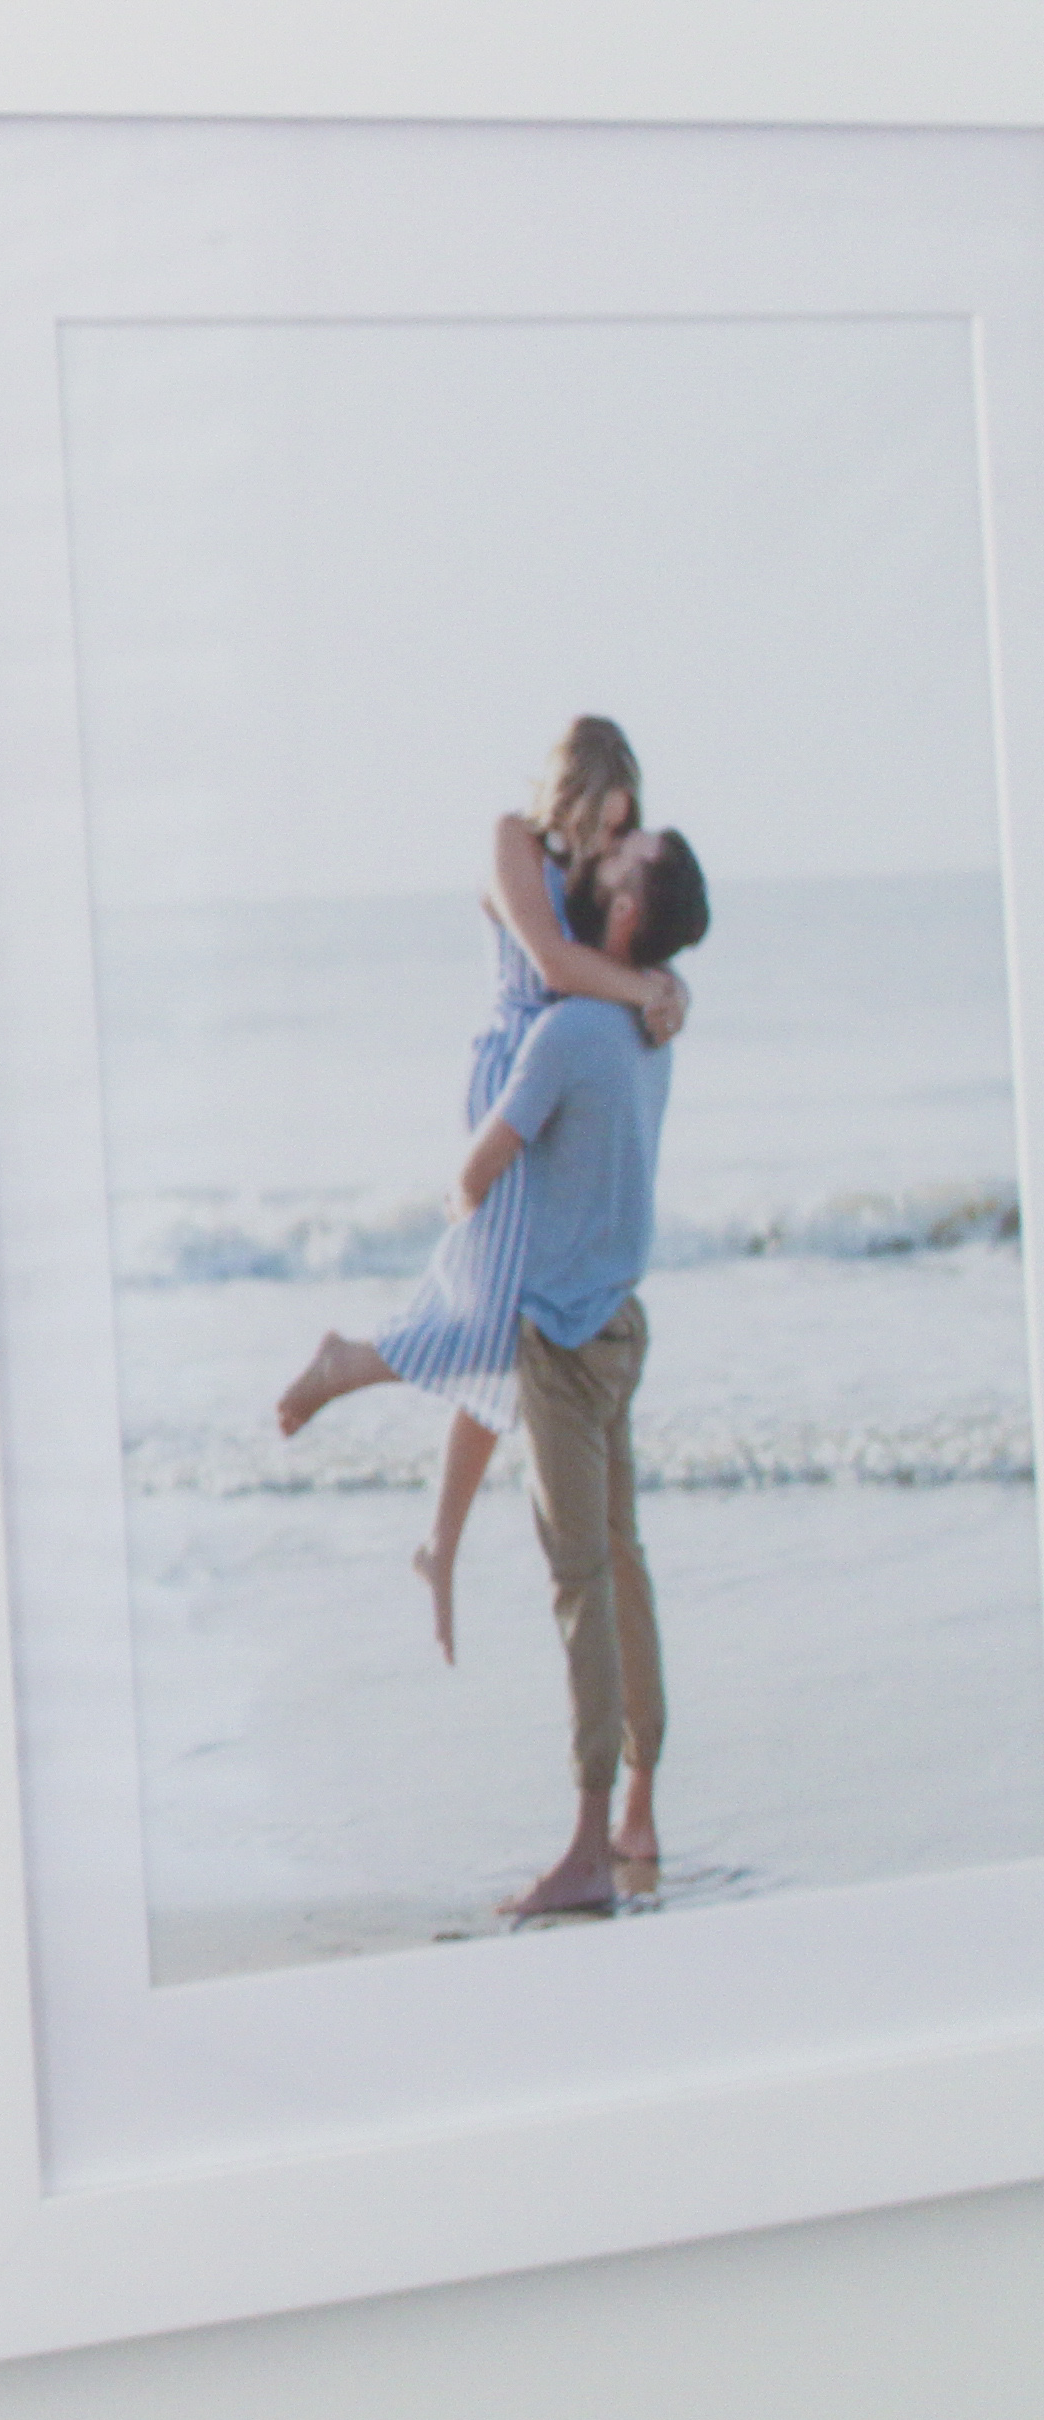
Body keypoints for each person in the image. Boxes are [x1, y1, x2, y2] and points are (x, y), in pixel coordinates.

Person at [271, 717, 686, 1658]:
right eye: (605, 820)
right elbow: (552, 967)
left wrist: (670, 987)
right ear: (570, 795)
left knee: (509, 1326)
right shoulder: (513, 842)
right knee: (492, 1321)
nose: (613, 844)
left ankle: (438, 1545)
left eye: (624, 829)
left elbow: (623, 956)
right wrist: (649, 994)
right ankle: (349, 1362)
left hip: (560, 1095)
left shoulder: (591, 873)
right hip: (514, 1085)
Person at [457, 827, 708, 1919]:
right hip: (620, 1325)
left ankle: (585, 1848)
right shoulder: (655, 1024)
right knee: (623, 1554)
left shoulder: (567, 1033)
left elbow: (475, 1175)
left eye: (622, 854)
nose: (606, 850)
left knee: (579, 1583)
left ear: (615, 917)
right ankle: (641, 1807)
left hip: (559, 1339)